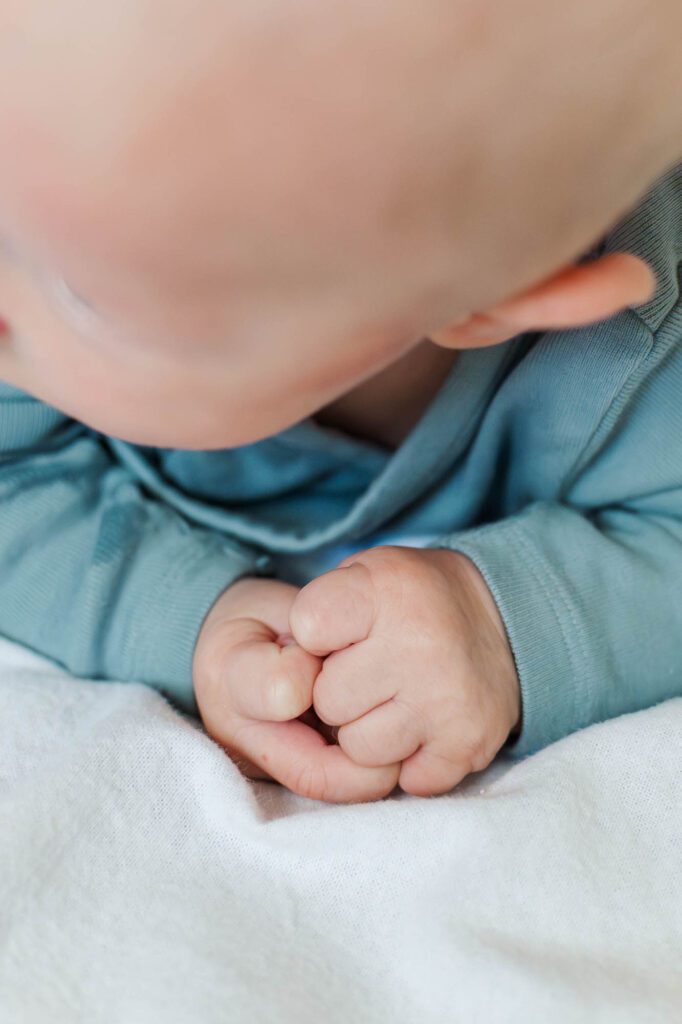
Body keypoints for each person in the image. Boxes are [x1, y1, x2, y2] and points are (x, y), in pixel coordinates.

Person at [0, 1, 681, 802]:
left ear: (486, 296)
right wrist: (180, 614)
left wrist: (502, 624)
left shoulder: (638, 361)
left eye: (87, 293)